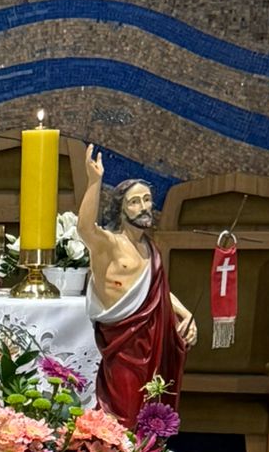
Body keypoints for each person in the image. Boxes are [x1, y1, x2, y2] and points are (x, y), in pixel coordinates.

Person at [79, 149, 194, 428]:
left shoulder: (149, 248)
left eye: (146, 199)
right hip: (123, 345)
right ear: (120, 210)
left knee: (151, 408)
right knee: (124, 412)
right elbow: (85, 229)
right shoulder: (109, 245)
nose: (143, 206)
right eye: (134, 202)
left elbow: (156, 290)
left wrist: (185, 313)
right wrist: (94, 182)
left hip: (152, 342)